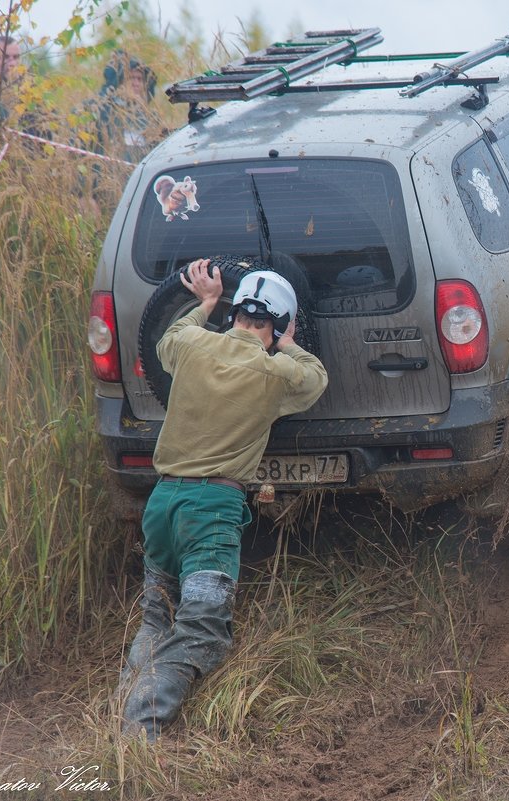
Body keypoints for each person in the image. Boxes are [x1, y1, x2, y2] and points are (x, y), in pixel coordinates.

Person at [119, 258, 328, 741]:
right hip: (211, 512)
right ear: (277, 326)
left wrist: (204, 303)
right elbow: (315, 378)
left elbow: (167, 341)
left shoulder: (190, 342)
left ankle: (122, 710)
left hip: (162, 503)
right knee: (202, 629)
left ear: (234, 313)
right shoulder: (275, 373)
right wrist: (290, 341)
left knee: (158, 616)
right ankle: (139, 731)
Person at [78, 51, 160, 162]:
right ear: (121, 81)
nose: (136, 83)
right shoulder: (102, 110)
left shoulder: (150, 118)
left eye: (140, 79)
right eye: (131, 78)